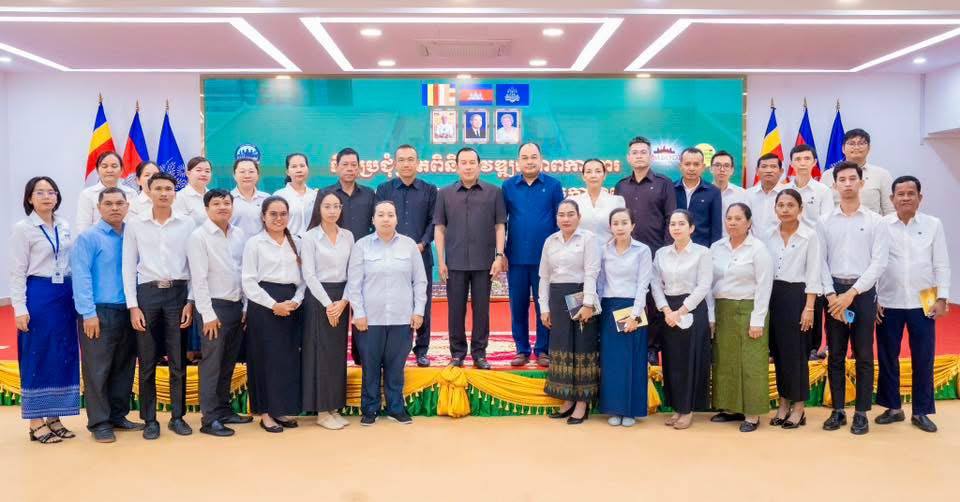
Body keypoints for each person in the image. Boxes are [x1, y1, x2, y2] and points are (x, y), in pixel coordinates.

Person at [122, 171, 196, 440]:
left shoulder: (187, 223)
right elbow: (128, 266)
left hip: (178, 294)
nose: (164, 193)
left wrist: (191, 301)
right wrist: (133, 306)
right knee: (147, 360)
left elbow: (195, 265)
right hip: (147, 296)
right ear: (149, 191)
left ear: (175, 193)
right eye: (159, 188)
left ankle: (177, 417)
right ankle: (150, 419)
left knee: (177, 360)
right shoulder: (135, 224)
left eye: (168, 189)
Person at [818, 161, 889, 435]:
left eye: (852, 179)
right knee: (835, 353)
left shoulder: (876, 221)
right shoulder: (824, 221)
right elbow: (820, 261)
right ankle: (838, 410)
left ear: (861, 183)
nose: (847, 184)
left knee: (864, 354)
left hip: (862, 293)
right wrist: (831, 294)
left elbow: (878, 263)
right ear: (834, 185)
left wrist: (852, 293)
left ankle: (861, 412)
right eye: (842, 180)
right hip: (834, 293)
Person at [875, 175, 950, 433]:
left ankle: (921, 411)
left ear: (920, 197)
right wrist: (874, 298)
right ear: (892, 198)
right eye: (901, 194)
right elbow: (874, 262)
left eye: (911, 193)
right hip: (888, 299)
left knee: (923, 357)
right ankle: (893, 408)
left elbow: (941, 263)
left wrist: (942, 297)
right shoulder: (881, 225)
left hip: (924, 299)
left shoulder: (933, 224)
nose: (906, 198)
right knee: (887, 356)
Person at [70, 187, 142, 443]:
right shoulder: (89, 237)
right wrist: (88, 313)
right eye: (108, 203)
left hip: (128, 310)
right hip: (98, 311)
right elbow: (81, 277)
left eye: (119, 203)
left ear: (127, 206)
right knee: (97, 369)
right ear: (99, 208)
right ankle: (99, 423)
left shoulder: (132, 235)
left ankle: (118, 416)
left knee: (123, 366)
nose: (114, 208)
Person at [12, 176, 81, 444]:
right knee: (38, 352)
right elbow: (17, 271)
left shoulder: (64, 225)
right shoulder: (24, 229)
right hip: (39, 294)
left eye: (51, 192)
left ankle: (54, 416)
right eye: (39, 192)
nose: (46, 197)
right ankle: (35, 421)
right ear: (30, 198)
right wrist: (19, 308)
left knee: (62, 352)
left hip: (64, 294)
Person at [347, 201, 428, 426]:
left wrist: (418, 311)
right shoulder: (362, 246)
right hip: (369, 320)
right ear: (373, 219)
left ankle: (396, 408)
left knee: (395, 366)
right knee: (370, 367)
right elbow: (354, 283)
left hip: (402, 318)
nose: (386, 219)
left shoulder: (409, 245)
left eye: (390, 215)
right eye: (381, 215)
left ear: (396, 219)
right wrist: (359, 313)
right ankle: (370, 409)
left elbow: (420, 281)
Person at [187, 189, 253, 437]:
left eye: (227, 203)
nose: (223, 207)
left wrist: (245, 306)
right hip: (213, 308)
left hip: (236, 306)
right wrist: (207, 314)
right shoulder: (199, 237)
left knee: (228, 362)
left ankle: (224, 410)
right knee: (212, 365)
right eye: (216, 203)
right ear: (206, 209)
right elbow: (199, 279)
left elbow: (243, 272)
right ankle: (210, 419)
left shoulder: (239, 234)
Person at [434, 147, 506, 369]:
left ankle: (479, 353)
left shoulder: (494, 192)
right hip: (454, 262)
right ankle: (457, 354)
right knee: (455, 310)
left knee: (482, 310)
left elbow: (500, 226)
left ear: (479, 165)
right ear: (456, 167)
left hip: (484, 262)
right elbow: (439, 228)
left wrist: (499, 256)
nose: (468, 167)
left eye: (472, 162)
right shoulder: (444, 194)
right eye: (463, 163)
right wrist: (441, 261)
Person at [241, 196, 305, 433]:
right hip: (264, 306)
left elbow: (305, 278)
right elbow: (248, 281)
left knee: (287, 359)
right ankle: (266, 413)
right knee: (264, 359)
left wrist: (296, 300)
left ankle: (282, 408)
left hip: (291, 305)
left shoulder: (297, 242)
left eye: (283, 214)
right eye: (273, 214)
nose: (279, 218)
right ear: (263, 217)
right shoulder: (254, 243)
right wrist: (273, 305)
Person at [708, 203, 774, 432]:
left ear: (749, 223)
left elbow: (764, 286)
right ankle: (730, 408)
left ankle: (752, 414)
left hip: (749, 309)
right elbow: (708, 283)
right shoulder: (716, 247)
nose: (733, 223)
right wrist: (711, 316)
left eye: (738, 218)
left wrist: (757, 320)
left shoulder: (758, 249)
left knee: (751, 362)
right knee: (725, 360)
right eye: (729, 218)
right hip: (722, 309)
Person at [614, 136, 676, 366]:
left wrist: (665, 251)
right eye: (635, 152)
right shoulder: (621, 186)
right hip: (626, 254)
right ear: (628, 157)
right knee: (628, 298)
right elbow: (616, 220)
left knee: (653, 301)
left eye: (643, 152)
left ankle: (651, 347)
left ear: (651, 156)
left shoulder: (663, 183)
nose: (639, 156)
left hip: (655, 252)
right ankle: (630, 342)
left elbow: (671, 217)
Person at [763, 189, 822, 430]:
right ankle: (783, 404)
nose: (785, 209)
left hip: (799, 297)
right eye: (781, 205)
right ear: (775, 208)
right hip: (773, 296)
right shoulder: (768, 235)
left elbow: (814, 272)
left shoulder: (810, 236)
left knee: (796, 354)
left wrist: (809, 307)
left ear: (800, 209)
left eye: (790, 205)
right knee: (778, 353)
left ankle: (799, 408)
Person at [502, 142, 564, 367]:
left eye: (533, 157)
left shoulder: (554, 185)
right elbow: (502, 223)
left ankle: (543, 349)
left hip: (545, 259)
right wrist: (501, 253)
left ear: (541, 159)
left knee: (544, 305)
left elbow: (560, 220)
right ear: (518, 161)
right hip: (516, 257)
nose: (529, 161)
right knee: (518, 306)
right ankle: (521, 349)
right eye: (525, 157)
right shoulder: (508, 186)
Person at [376, 145, 438, 368]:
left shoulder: (430, 190)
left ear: (417, 162)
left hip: (421, 255)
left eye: (410, 159)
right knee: (395, 302)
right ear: (395, 163)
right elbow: (380, 219)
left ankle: (421, 350)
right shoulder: (384, 189)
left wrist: (422, 244)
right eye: (401, 160)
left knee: (422, 303)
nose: (406, 164)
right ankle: (397, 349)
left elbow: (434, 221)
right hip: (390, 257)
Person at [650, 210, 712, 430]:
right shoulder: (661, 254)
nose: (676, 228)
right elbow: (655, 283)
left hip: (692, 309)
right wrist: (666, 310)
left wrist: (681, 311)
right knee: (672, 361)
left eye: (681, 224)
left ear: (691, 228)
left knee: (689, 361)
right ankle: (677, 407)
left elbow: (703, 286)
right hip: (668, 311)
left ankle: (688, 409)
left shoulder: (702, 253)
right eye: (672, 224)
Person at [540, 200, 601, 425]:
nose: (566, 219)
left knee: (583, 346)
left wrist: (588, 303)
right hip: (557, 297)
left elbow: (592, 272)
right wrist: (544, 307)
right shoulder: (550, 241)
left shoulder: (588, 239)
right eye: (561, 215)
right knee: (561, 346)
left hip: (581, 295)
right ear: (556, 218)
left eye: (570, 214)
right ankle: (566, 399)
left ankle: (582, 403)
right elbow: (544, 276)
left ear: (579, 217)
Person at [301, 190, 354, 430]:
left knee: (336, 354)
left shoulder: (348, 236)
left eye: (336, 206)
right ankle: (322, 411)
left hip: (342, 299)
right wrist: (328, 305)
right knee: (320, 354)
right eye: (327, 206)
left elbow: (353, 272)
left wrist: (343, 302)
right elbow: (309, 274)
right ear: (318, 209)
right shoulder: (310, 237)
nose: (332, 211)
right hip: (318, 299)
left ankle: (334, 407)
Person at [598, 207, 652, 427]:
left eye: (624, 222)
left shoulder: (642, 250)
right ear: (610, 227)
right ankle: (614, 408)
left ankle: (631, 410)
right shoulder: (604, 250)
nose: (620, 227)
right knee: (612, 361)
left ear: (633, 226)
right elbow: (601, 282)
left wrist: (634, 316)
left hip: (633, 307)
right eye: (615, 223)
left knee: (633, 360)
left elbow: (643, 284)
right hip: (609, 308)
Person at [326, 147, 376, 365]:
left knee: (361, 308)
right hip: (333, 263)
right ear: (336, 167)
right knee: (336, 311)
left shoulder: (369, 194)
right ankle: (333, 359)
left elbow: (375, 226)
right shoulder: (326, 194)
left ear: (359, 168)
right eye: (344, 164)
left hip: (364, 261)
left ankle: (360, 356)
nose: (349, 168)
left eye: (353, 165)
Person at [784, 144, 833, 359]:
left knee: (815, 302)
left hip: (816, 253)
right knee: (791, 302)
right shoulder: (784, 190)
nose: (802, 163)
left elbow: (827, 224)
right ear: (791, 163)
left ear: (814, 162)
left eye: (806, 159)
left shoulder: (823, 191)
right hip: (790, 255)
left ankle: (813, 348)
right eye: (798, 159)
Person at [822, 128, 894, 215]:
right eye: (851, 143)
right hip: (837, 222)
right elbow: (822, 209)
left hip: (872, 223)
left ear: (869, 148)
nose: (856, 147)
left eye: (861, 143)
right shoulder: (828, 175)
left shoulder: (882, 175)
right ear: (843, 149)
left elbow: (890, 211)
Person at [76, 151, 138, 232]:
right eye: (104, 166)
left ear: (122, 170)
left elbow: (136, 223)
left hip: (127, 238)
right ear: (97, 170)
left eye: (114, 166)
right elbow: (83, 227)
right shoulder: (87, 194)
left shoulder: (131, 193)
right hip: (97, 239)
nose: (109, 170)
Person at [675, 147, 722, 247]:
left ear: (703, 167)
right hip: (674, 248)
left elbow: (716, 228)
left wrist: (714, 251)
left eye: (696, 164)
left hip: (702, 249)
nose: (691, 168)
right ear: (680, 166)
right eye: (687, 164)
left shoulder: (713, 192)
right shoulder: (670, 189)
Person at [572, 158, 626, 246]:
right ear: (583, 176)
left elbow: (621, 231)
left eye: (598, 171)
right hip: (580, 251)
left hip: (609, 252)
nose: (593, 175)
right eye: (588, 172)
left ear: (604, 175)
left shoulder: (616, 201)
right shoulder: (573, 201)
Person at [273, 153, 319, 237]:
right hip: (287, 242)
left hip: (312, 243)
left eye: (302, 166)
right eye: (294, 166)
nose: (299, 170)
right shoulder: (279, 196)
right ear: (287, 172)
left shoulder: (315, 195)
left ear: (308, 169)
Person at [230, 158, 270, 240]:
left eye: (251, 171)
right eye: (242, 172)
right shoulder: (227, 199)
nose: (247, 176)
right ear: (234, 175)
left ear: (258, 175)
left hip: (261, 246)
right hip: (235, 246)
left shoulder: (266, 198)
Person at [745, 153, 783, 238]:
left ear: (781, 172)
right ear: (757, 171)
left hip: (780, 244)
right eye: (764, 166)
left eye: (773, 166)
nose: (768, 170)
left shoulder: (788, 194)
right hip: (753, 244)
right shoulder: (748, 194)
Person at [710, 150, 746, 229]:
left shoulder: (742, 194)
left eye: (726, 166)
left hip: (733, 236)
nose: (722, 169)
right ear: (711, 169)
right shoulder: (702, 192)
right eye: (717, 165)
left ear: (732, 170)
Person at [173, 156, 213, 225]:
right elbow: (180, 225)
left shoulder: (213, 195)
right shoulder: (180, 197)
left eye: (207, 171)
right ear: (188, 174)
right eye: (198, 170)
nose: (203, 174)